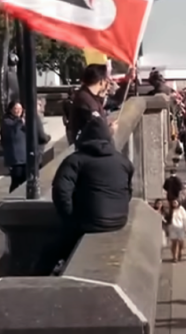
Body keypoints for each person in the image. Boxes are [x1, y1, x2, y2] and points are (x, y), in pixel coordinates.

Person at [50, 116, 133, 272]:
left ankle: (59, 264)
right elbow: (128, 191)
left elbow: (61, 190)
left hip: (89, 221)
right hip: (119, 220)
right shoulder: (123, 161)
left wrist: (70, 214)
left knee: (61, 240)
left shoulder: (75, 160)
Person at [68, 64, 114, 145]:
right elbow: (98, 129)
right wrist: (110, 131)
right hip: (91, 150)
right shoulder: (86, 100)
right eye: (106, 80)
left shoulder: (90, 96)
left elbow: (115, 101)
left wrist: (127, 80)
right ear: (101, 81)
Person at [1, 101, 26, 192]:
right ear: (11, 110)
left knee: (25, 179)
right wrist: (20, 121)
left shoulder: (24, 120)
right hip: (15, 158)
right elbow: (11, 129)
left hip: (26, 156)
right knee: (16, 179)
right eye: (15, 109)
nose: (18, 111)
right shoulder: (6, 121)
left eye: (20, 109)